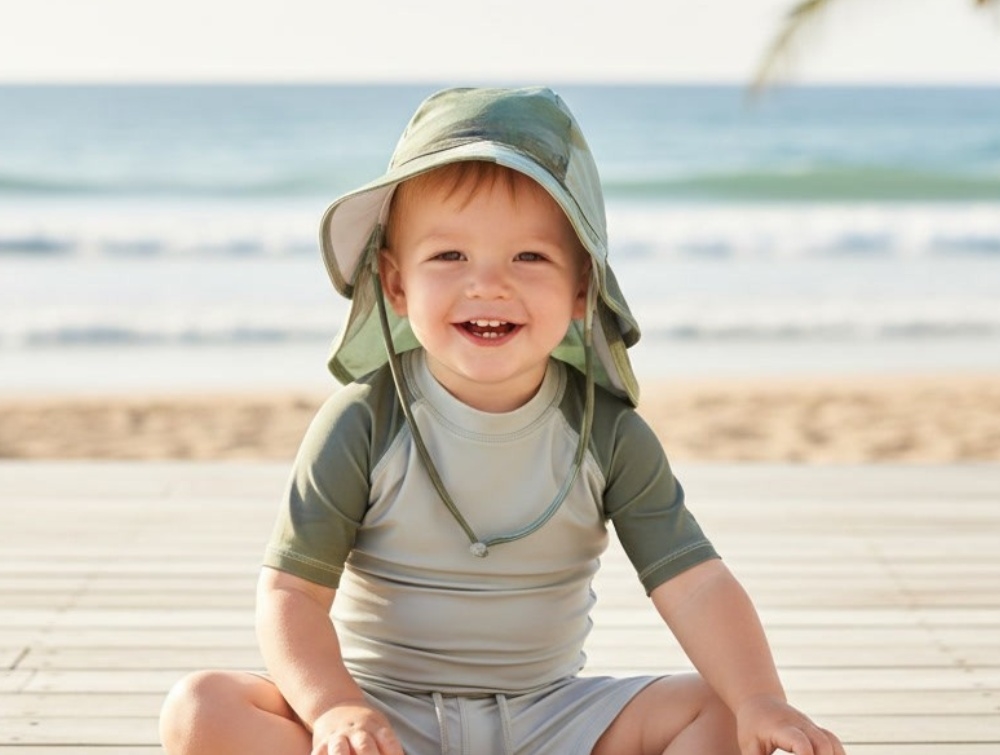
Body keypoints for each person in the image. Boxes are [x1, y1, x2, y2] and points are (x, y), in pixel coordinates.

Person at [159, 86, 845, 755]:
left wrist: (761, 698)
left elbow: (695, 584)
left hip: (550, 715)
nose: (488, 283)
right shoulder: (363, 421)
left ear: (582, 288)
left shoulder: (606, 432)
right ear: (396, 284)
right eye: (449, 255)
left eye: (530, 256)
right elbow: (292, 594)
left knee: (721, 707)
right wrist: (336, 707)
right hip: (387, 714)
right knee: (200, 708)